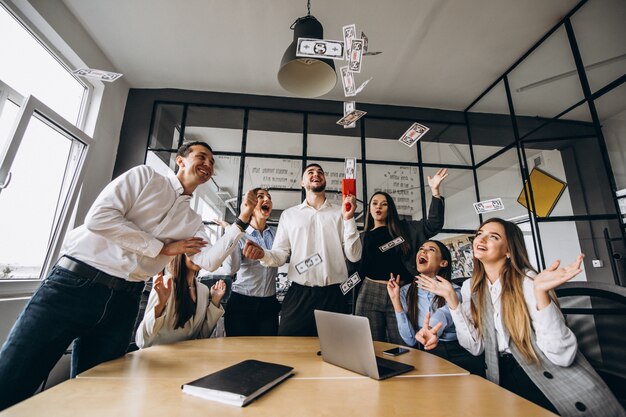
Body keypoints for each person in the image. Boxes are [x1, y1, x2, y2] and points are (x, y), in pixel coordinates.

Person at [0, 141, 258, 410]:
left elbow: (208, 260)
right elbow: (99, 218)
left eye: (212, 162)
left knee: (99, 395)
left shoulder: (191, 220)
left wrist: (241, 220)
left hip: (125, 299)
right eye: (201, 157)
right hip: (73, 285)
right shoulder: (144, 176)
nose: (208, 165)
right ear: (180, 161)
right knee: (14, 376)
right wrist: (162, 248)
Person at [418, 218, 625, 416]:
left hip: (541, 376)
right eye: (480, 234)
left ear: (509, 250)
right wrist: (452, 301)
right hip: (499, 375)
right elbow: (475, 347)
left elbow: (562, 356)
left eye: (493, 236)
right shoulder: (470, 287)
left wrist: (541, 294)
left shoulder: (528, 281)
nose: (481, 239)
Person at [246, 163, 361, 336]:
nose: (316, 174)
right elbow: (280, 255)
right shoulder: (289, 215)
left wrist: (349, 218)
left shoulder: (341, 213)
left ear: (325, 180)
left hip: (334, 296)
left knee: (335, 354)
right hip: (299, 294)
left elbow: (354, 256)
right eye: (310, 172)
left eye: (320, 172)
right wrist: (264, 254)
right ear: (302, 182)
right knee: (288, 350)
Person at [355, 168, 447, 344]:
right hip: (369, 293)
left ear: (390, 208)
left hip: (401, 292)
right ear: (369, 209)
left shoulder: (406, 229)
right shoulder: (363, 237)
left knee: (403, 345)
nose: (378, 207)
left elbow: (433, 224)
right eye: (374, 203)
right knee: (369, 345)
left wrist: (435, 192)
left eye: (384, 204)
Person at [387, 240, 484, 376]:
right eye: (421, 248)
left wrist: (430, 329)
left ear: (443, 263)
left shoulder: (455, 291)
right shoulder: (404, 292)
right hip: (428, 352)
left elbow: (444, 314)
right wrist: (396, 301)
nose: (423, 251)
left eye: (431, 250)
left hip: (460, 351)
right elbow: (410, 340)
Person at [220, 188, 281, 336]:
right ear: (250, 206)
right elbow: (230, 270)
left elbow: (282, 257)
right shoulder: (240, 235)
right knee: (239, 353)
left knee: (266, 353)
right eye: (260, 197)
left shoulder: (278, 234)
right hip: (242, 303)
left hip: (269, 304)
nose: (266, 199)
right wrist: (231, 233)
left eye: (269, 197)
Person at [135, 254, 226, 348]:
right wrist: (160, 304)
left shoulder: (203, 290)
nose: (199, 257)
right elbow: (142, 339)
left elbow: (202, 336)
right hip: (157, 357)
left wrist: (215, 300)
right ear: (180, 254)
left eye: (203, 253)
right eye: (193, 252)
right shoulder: (165, 284)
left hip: (186, 357)